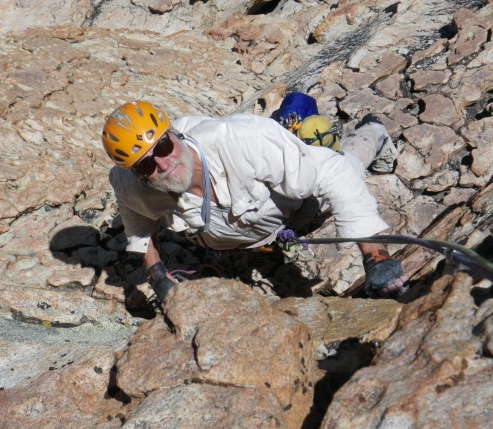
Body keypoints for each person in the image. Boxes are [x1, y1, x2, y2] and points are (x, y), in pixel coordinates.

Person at [102, 98, 409, 302]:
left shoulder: (241, 141)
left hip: (301, 212)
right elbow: (138, 223)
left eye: (163, 147)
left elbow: (333, 172)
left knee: (349, 163)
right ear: (137, 174)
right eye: (146, 165)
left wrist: (375, 256)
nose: (162, 164)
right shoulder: (130, 186)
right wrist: (157, 276)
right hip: (241, 241)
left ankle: (374, 129)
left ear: (174, 134)